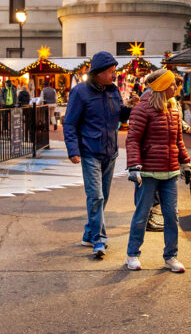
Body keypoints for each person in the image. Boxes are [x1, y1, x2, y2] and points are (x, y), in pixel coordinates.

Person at [63, 51, 138, 258]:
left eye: (115, 71)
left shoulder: (112, 90)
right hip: (90, 152)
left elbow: (119, 114)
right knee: (95, 196)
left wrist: (131, 108)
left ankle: (89, 233)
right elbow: (69, 123)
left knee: (102, 198)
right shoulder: (80, 92)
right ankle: (99, 239)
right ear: (98, 72)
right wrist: (73, 150)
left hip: (110, 152)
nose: (114, 75)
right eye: (111, 72)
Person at [125, 68, 191, 272]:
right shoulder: (142, 109)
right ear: (162, 87)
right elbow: (133, 140)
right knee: (142, 215)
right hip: (148, 173)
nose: (175, 87)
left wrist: (185, 162)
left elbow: (177, 140)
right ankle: (132, 254)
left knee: (171, 215)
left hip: (170, 172)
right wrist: (134, 166)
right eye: (172, 84)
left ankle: (171, 256)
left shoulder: (174, 108)